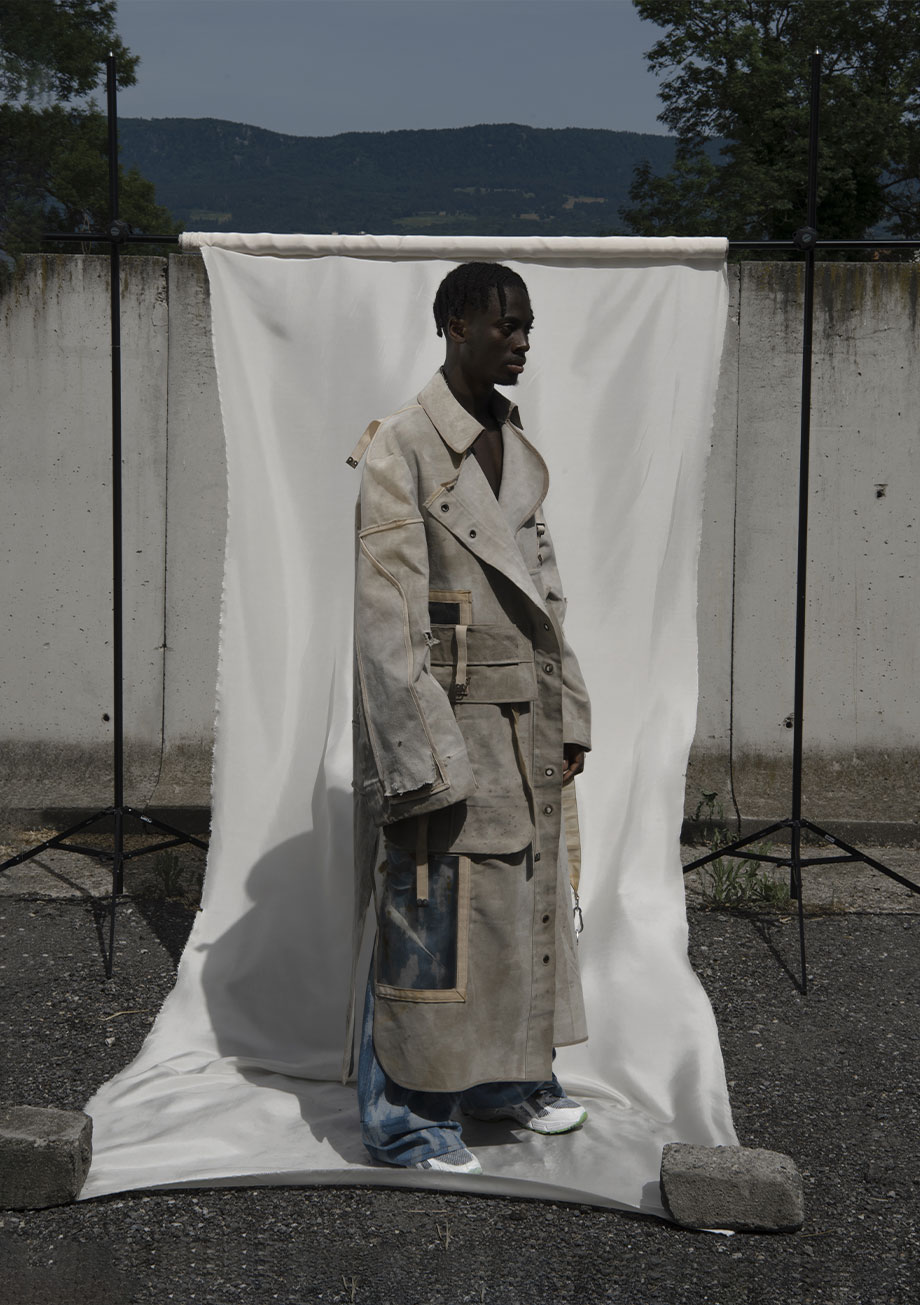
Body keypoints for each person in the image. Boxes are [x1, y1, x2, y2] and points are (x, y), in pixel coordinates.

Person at [347, 261, 591, 1174]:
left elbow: (547, 597)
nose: (522, 341)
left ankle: (503, 1080)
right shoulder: (403, 447)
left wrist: (572, 714)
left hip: (523, 721)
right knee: (430, 918)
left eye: (527, 325)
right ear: (455, 325)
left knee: (518, 904)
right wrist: (420, 755)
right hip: (445, 721)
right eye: (505, 325)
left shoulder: (512, 443)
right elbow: (387, 614)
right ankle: (405, 1118)